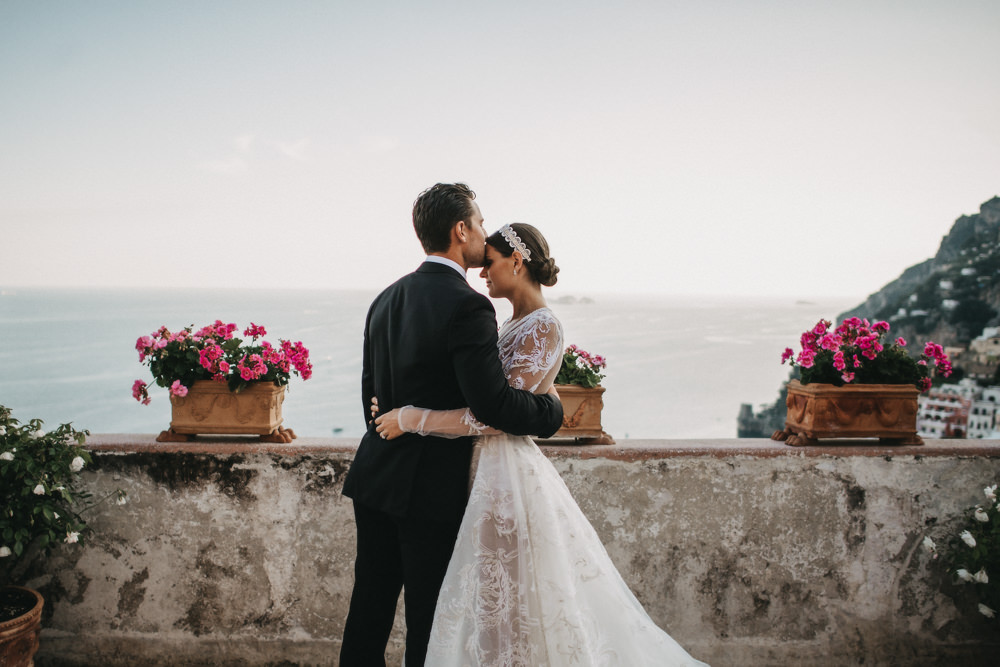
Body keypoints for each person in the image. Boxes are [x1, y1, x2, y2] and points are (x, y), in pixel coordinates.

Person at [374, 223, 709, 666]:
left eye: (489, 263)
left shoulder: (544, 327)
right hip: (471, 471)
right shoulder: (510, 323)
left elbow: (494, 417)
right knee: (488, 601)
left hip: (502, 474)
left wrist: (412, 418)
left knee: (505, 596)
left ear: (516, 261)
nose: (482, 274)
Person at [340, 184, 564, 667]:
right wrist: (551, 412)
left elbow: (371, 400)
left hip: (375, 474)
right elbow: (495, 407)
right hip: (430, 488)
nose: (485, 234)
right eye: (480, 222)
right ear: (461, 230)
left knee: (369, 609)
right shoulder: (469, 306)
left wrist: (398, 419)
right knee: (429, 617)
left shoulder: (385, 298)